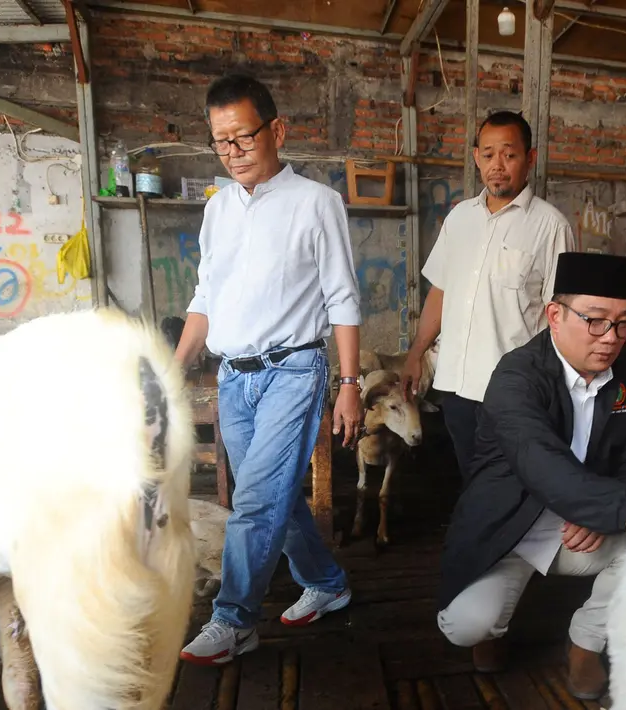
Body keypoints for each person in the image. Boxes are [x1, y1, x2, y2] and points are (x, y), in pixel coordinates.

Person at [174, 73, 363, 665]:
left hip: (294, 371)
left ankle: (234, 620)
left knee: (254, 499)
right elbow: (204, 295)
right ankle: (329, 584)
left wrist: (351, 385)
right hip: (235, 378)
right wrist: (174, 366)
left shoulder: (317, 203)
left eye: (244, 137)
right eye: (221, 142)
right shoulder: (217, 210)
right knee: (277, 496)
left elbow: (343, 297)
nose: (233, 153)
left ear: (276, 130)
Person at [436, 252, 626, 701]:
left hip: (580, 526)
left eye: (624, 323)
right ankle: (492, 629)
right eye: (595, 320)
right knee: (466, 625)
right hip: (509, 528)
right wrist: (622, 509)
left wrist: (604, 514)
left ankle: (585, 642)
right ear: (555, 316)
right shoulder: (515, 376)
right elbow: (538, 461)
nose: (612, 338)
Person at [401, 110, 575, 482]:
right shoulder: (460, 218)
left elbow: (562, 317)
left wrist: (552, 391)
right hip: (457, 386)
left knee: (513, 484)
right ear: (476, 156)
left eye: (509, 155)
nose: (498, 165)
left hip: (514, 391)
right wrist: (416, 354)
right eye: (489, 154)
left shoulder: (550, 226)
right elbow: (440, 292)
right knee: (472, 480)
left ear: (529, 159)